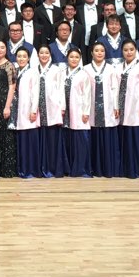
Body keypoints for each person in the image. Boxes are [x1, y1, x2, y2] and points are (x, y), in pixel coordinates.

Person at [117, 40, 139, 179]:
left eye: (131, 49)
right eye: (126, 50)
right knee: (126, 139)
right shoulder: (118, 67)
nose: (129, 52)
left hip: (137, 107)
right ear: (122, 52)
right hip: (123, 107)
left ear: (136, 50)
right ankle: (128, 169)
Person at [85, 42, 121, 177]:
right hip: (91, 108)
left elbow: (115, 88)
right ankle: (95, 168)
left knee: (107, 136)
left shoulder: (111, 69)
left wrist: (116, 106)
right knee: (94, 136)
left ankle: (109, 168)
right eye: (96, 50)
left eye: (102, 51)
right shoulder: (86, 69)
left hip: (108, 107)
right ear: (91, 53)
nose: (99, 53)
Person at [34, 45, 68, 178]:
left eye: (46, 53)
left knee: (52, 138)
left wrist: (62, 107)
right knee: (40, 137)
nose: (44, 55)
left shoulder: (56, 70)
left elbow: (61, 89)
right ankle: (40, 167)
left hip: (53, 107)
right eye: (41, 53)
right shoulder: (33, 70)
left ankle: (54, 167)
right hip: (37, 108)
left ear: (50, 55)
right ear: (38, 55)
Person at [10, 47, 40, 178]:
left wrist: (33, 110)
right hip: (16, 110)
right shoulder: (15, 71)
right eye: (19, 56)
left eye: (24, 56)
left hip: (28, 110)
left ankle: (30, 169)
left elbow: (35, 92)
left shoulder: (33, 72)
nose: (21, 58)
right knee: (20, 141)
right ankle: (20, 168)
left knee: (29, 141)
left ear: (28, 58)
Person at [63, 48, 92, 177]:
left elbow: (87, 94)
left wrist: (86, 111)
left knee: (80, 139)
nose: (74, 59)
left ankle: (80, 168)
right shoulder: (62, 73)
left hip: (79, 110)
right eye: (71, 57)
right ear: (67, 58)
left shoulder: (83, 74)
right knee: (67, 139)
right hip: (65, 112)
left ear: (80, 59)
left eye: (76, 57)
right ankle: (67, 168)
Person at [0, 39, 17, 178]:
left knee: (6, 135)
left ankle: (7, 168)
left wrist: (7, 106)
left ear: (6, 49)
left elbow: (12, 86)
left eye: (2, 47)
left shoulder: (9, 65)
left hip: (5, 102)